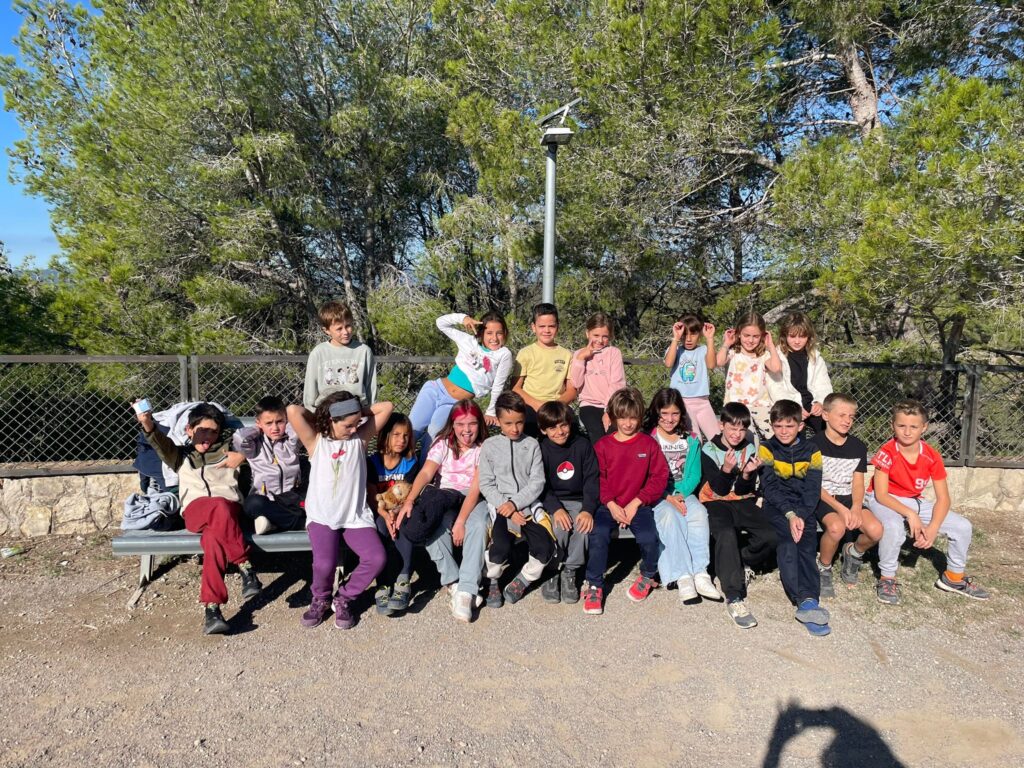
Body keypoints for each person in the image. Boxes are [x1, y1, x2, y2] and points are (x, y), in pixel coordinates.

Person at [134, 401, 262, 635]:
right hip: (196, 512)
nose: (207, 436)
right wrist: (147, 422)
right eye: (202, 430)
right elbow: (158, 441)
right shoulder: (180, 456)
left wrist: (243, 457)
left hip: (229, 512)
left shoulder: (228, 451)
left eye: (213, 432)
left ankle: (212, 610)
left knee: (213, 540)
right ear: (189, 430)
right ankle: (245, 565)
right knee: (218, 507)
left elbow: (262, 444)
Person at [865, 399, 990, 605]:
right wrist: (911, 515)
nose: (907, 432)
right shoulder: (887, 452)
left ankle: (953, 578)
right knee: (894, 527)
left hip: (913, 500)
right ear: (892, 425)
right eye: (901, 425)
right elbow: (881, 495)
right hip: (882, 499)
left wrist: (933, 527)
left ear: (924, 427)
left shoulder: (931, 455)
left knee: (962, 526)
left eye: (913, 427)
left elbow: (944, 498)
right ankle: (887, 578)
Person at [286, 392, 392, 629]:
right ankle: (321, 599)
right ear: (332, 420)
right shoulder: (316, 442)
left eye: (357, 423)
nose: (354, 429)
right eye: (348, 425)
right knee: (325, 564)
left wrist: (356, 411)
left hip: (354, 516)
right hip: (323, 516)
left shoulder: (359, 440)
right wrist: (323, 416)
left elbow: (387, 406)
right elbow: (293, 411)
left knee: (376, 558)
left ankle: (343, 597)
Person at [384, 401, 485, 616]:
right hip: (445, 494)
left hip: (471, 496)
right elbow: (426, 473)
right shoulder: (443, 444)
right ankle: (453, 582)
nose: (466, 430)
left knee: (477, 524)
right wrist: (410, 500)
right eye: (460, 424)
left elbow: (475, 488)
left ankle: (467, 590)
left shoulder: (483, 448)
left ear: (480, 424)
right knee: (431, 523)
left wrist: (461, 521)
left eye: (472, 424)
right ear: (452, 424)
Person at [583, 388, 668, 616]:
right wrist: (611, 505)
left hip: (638, 506)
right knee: (599, 534)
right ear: (613, 417)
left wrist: (636, 502)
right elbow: (597, 479)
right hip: (608, 505)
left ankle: (648, 574)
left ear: (640, 417)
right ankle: (594, 585)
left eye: (633, 418)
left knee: (649, 537)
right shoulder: (602, 446)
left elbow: (659, 477)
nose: (628, 423)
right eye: (622, 418)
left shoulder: (648, 445)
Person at [699, 402, 777, 629]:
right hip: (715, 501)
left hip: (741, 500)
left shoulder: (749, 448)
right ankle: (734, 596)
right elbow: (719, 489)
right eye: (732, 428)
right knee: (726, 533)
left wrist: (746, 475)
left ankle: (741, 561)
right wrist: (725, 470)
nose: (737, 434)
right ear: (721, 426)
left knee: (770, 535)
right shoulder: (708, 450)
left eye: (742, 429)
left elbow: (744, 490)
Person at [474, 391, 553, 608]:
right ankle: (492, 579)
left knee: (545, 546)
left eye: (519, 422)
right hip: (501, 507)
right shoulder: (490, 446)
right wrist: (505, 506)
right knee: (500, 546)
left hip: (527, 506)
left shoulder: (532, 445)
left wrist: (516, 504)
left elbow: (537, 482)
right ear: (498, 421)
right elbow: (486, 484)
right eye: (508, 423)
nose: (515, 429)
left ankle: (523, 579)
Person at [758, 400, 829, 636]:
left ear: (800, 426)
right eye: (778, 426)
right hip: (777, 507)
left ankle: (810, 598)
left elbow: (813, 488)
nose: (784, 431)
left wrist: (801, 515)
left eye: (789, 426)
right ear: (772, 426)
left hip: (804, 508)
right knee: (788, 543)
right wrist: (790, 515)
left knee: (806, 544)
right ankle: (800, 599)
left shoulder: (812, 450)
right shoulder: (766, 448)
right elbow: (769, 487)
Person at [644, 389, 718, 604]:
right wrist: (667, 496)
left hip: (684, 493)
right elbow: (645, 475)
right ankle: (682, 575)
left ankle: (701, 572)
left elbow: (694, 474)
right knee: (669, 516)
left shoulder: (691, 439)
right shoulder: (648, 439)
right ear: (656, 412)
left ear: (681, 414)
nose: (669, 419)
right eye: (664, 413)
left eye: (675, 413)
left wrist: (679, 494)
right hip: (658, 495)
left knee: (698, 513)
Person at [408, 310, 512, 454]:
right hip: (435, 390)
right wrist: (463, 318)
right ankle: (399, 466)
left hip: (454, 404)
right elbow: (440, 323)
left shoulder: (504, 354)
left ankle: (425, 468)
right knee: (412, 430)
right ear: (481, 333)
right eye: (489, 333)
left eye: (499, 333)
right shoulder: (468, 341)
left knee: (435, 437)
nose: (494, 338)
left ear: (505, 333)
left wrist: (491, 411)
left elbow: (498, 385)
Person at [812, 393, 883, 594]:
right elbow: (814, 485)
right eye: (842, 415)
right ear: (825, 415)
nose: (847, 421)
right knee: (836, 528)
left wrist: (856, 507)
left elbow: (858, 482)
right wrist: (842, 510)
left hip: (849, 498)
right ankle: (824, 566)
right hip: (823, 497)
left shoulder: (858, 446)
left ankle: (853, 552)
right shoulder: (813, 445)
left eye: (851, 416)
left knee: (875, 530)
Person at [536, 400, 599, 604]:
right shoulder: (541, 449)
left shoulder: (582, 445)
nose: (560, 432)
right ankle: (552, 569)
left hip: (579, 501)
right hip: (554, 501)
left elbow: (592, 479)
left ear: (570, 424)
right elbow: (541, 484)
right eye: (552, 428)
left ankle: (570, 570)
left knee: (583, 528)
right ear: (543, 430)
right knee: (559, 528)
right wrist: (555, 508)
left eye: (563, 425)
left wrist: (588, 509)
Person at [366, 413, 420, 615]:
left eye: (406, 435)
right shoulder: (373, 462)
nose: (401, 440)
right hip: (378, 509)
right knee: (380, 527)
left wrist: (395, 515)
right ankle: (382, 582)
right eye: (396, 435)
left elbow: (407, 495)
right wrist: (385, 514)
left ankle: (403, 580)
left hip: (401, 509)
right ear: (385, 436)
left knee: (404, 524)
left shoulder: (410, 462)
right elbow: (372, 496)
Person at [232, 395, 304, 535]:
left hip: (292, 500)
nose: (275, 428)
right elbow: (240, 438)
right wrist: (258, 429)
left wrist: (287, 423)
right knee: (252, 504)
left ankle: (272, 523)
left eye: (279, 421)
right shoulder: (254, 446)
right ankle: (298, 523)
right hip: (267, 501)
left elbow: (299, 426)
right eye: (269, 423)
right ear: (259, 423)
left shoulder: (290, 443)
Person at [511, 302, 577, 436]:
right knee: (527, 428)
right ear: (533, 327)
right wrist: (537, 405)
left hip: (557, 407)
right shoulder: (526, 353)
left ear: (557, 327)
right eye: (542, 326)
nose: (546, 330)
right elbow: (515, 388)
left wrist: (554, 406)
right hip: (531, 406)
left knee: (573, 431)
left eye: (551, 326)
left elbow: (571, 390)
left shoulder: (567, 355)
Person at [303, 301, 377, 409]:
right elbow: (310, 389)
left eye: (348, 326)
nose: (345, 332)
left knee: (387, 407)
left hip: (356, 408)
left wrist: (370, 410)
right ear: (326, 330)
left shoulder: (364, 351)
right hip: (327, 409)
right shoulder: (318, 353)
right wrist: (313, 411)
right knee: (293, 410)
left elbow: (371, 386)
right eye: (339, 329)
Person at [717, 310, 781, 438]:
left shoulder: (763, 355)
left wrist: (771, 345)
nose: (750, 340)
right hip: (736, 408)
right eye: (746, 335)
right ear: (739, 333)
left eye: (756, 336)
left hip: (761, 406)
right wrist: (726, 343)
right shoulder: (733, 352)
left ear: (762, 336)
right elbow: (719, 362)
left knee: (774, 437)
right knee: (748, 438)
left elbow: (776, 368)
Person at [768, 312, 832, 433]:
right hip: (788, 404)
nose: (797, 341)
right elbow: (775, 388)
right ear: (785, 335)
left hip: (811, 403)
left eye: (802, 336)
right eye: (792, 336)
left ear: (809, 336)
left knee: (829, 429)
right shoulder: (777, 356)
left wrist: (820, 402)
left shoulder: (814, 356)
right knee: (794, 433)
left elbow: (823, 384)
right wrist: (793, 407)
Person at [569, 311, 626, 446]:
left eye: (605, 336)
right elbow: (576, 383)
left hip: (611, 404)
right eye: (596, 335)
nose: (600, 340)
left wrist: (608, 410)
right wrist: (581, 359)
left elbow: (617, 383)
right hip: (589, 405)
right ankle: (599, 459)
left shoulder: (613, 353)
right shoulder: (579, 354)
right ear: (587, 333)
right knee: (597, 434)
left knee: (613, 433)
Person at [664, 313, 720, 441]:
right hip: (682, 402)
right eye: (685, 334)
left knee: (716, 438)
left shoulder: (703, 350)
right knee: (695, 439)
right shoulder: (676, 349)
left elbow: (711, 365)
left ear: (700, 334)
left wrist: (710, 339)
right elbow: (668, 363)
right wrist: (675, 338)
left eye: (693, 334)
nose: (688, 339)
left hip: (702, 402)